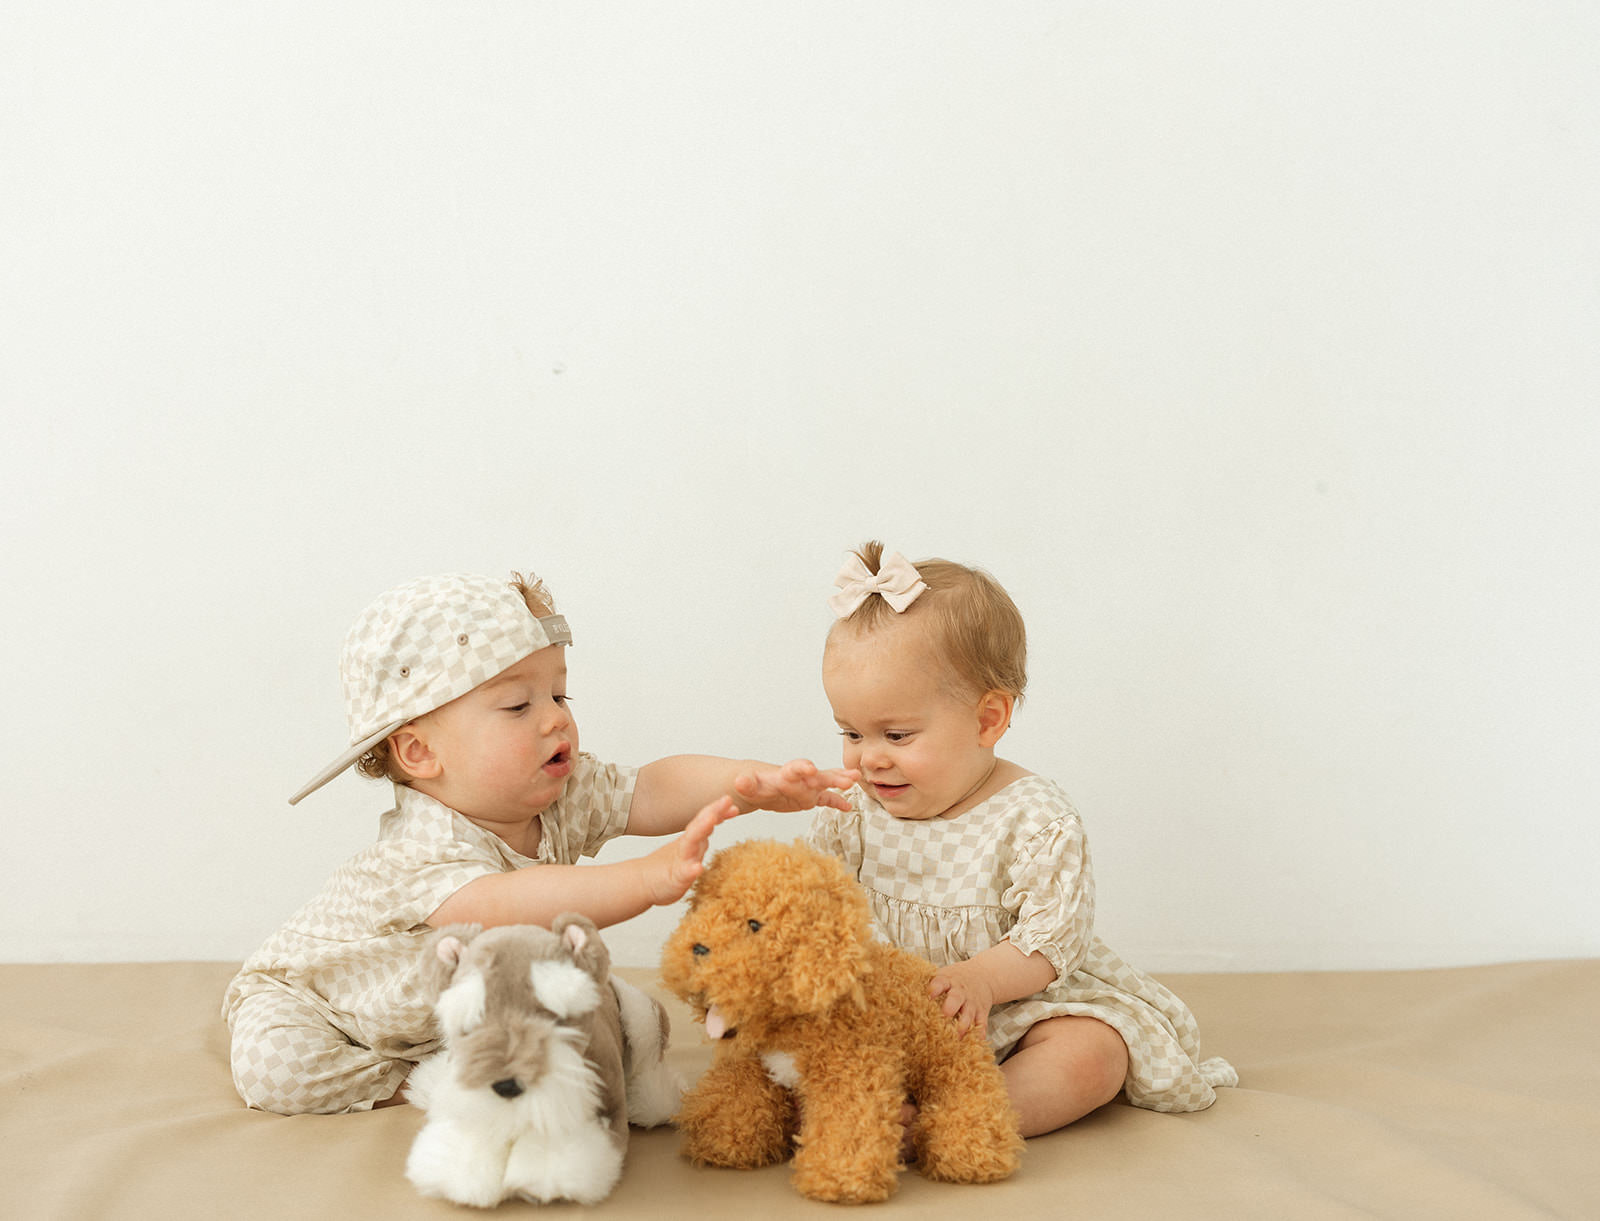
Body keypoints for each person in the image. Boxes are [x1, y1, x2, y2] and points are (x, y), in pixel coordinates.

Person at [224, 570, 857, 1115]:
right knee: (275, 1067)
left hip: (456, 998)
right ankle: (417, 1081)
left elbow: (650, 787)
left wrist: (751, 785)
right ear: (420, 752)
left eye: (559, 694)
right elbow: (513, 901)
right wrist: (646, 878)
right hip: (323, 1006)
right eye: (517, 707)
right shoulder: (421, 846)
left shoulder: (558, 792)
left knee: (587, 1011)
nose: (556, 717)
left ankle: (471, 1046)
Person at [808, 542, 1236, 1138]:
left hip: (1012, 1013)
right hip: (889, 1014)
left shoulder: (1036, 818)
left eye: (897, 734)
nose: (868, 757)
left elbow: (1052, 938)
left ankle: (957, 1120)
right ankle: (863, 1107)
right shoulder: (850, 811)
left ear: (988, 720)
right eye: (850, 732)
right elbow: (819, 911)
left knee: (1092, 1053)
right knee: (797, 1034)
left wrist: (981, 980)